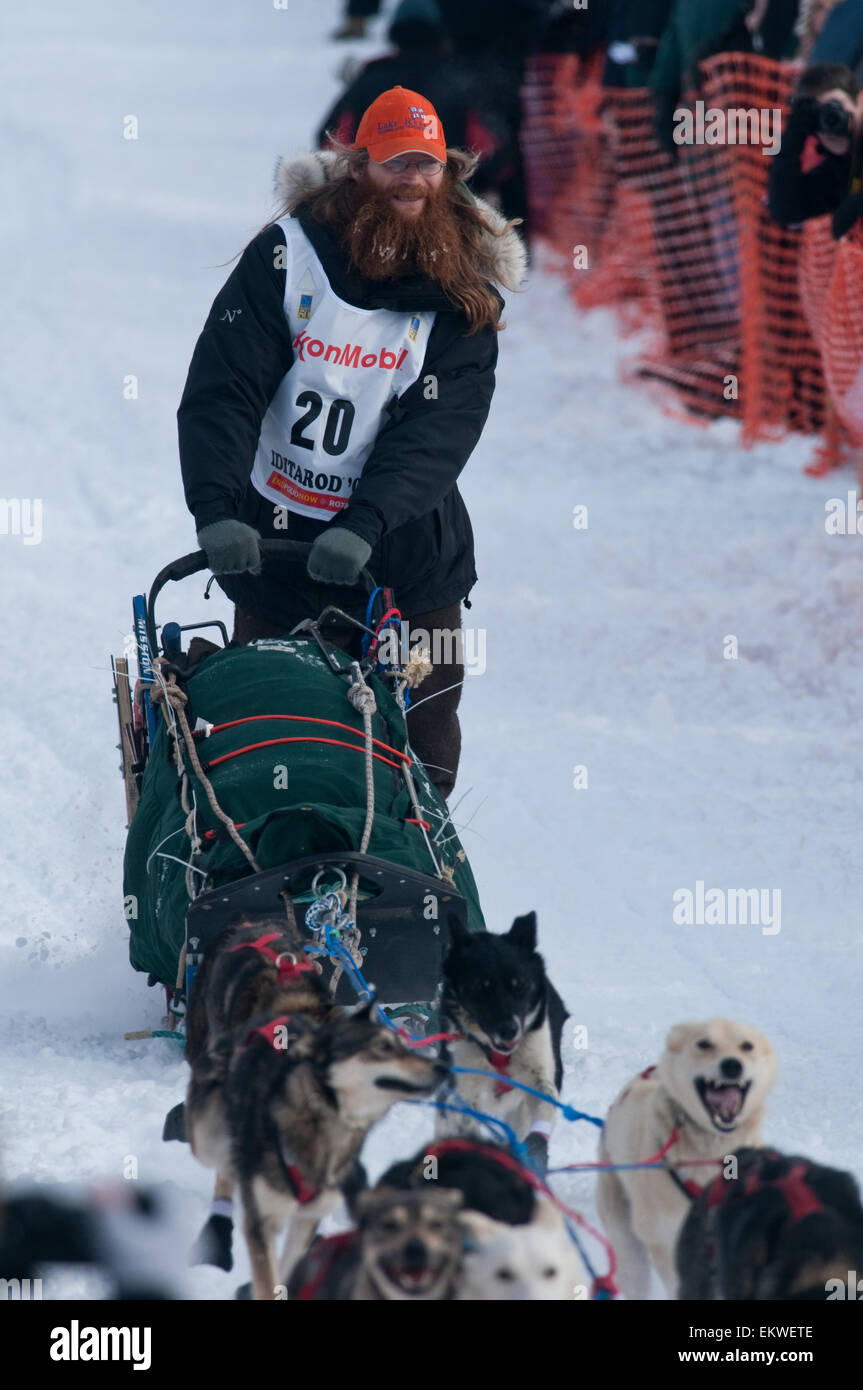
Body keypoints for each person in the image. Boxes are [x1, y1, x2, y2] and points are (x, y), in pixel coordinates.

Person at [177, 87, 526, 799]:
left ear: (447, 172)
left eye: (426, 165)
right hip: (277, 534)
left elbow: (438, 433)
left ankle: (408, 876)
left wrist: (365, 521)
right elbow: (225, 388)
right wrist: (215, 509)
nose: (411, 179)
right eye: (395, 162)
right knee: (275, 724)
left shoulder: (465, 292)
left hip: (408, 546)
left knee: (427, 742)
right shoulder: (288, 259)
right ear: (358, 167)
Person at [767, 63, 863, 238]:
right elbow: (784, 208)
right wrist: (794, 131)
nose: (831, 123)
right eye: (818, 120)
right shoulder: (839, 172)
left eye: (835, 107)